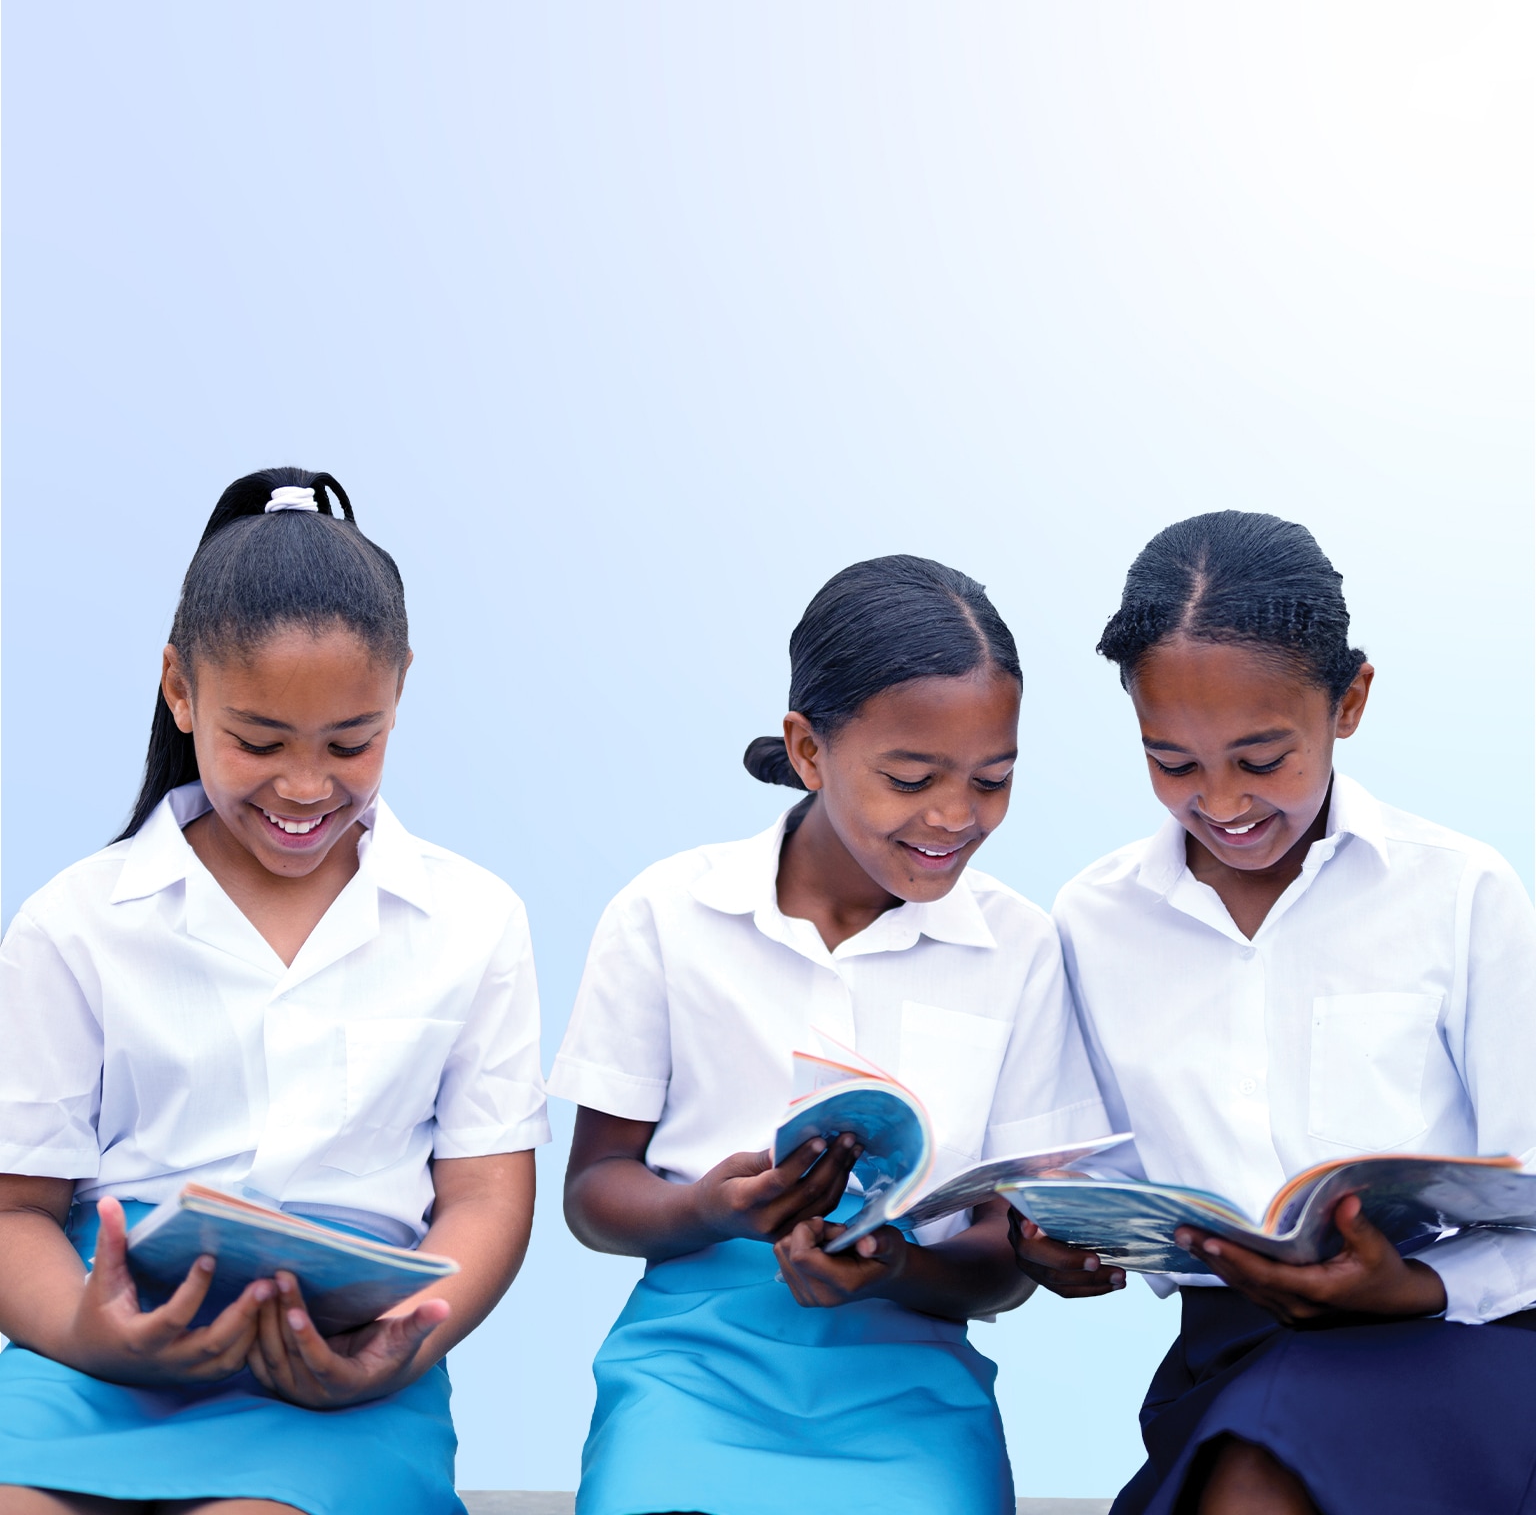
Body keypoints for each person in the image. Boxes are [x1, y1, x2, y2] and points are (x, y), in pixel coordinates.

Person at [0, 471, 549, 1515]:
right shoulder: (75, 921)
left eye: (352, 744)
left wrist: (402, 1341)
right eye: (258, 743)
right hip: (97, 1347)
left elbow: (484, 1197)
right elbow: (15, 1211)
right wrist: (86, 1331)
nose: (306, 788)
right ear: (179, 689)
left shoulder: (473, 920)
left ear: (400, 695)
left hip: (340, 1365)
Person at [550, 553, 1111, 1515]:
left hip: (910, 1375)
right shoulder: (669, 912)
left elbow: (1002, 1262)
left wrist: (897, 1266)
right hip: (692, 1366)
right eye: (908, 777)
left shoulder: (1017, 947)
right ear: (808, 751)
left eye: (994, 779)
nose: (954, 816)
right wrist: (712, 1213)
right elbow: (595, 1193)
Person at [1041, 510, 1536, 1515]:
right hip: (1234, 1348)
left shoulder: (1460, 892)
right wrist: (1055, 1239)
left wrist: (1417, 1288)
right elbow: (1095, 1177)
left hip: (1462, 1333)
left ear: (1349, 702)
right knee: (1252, 1450)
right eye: (1171, 760)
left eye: (1263, 757)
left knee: (1259, 1479)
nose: (1220, 799)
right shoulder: (1094, 919)